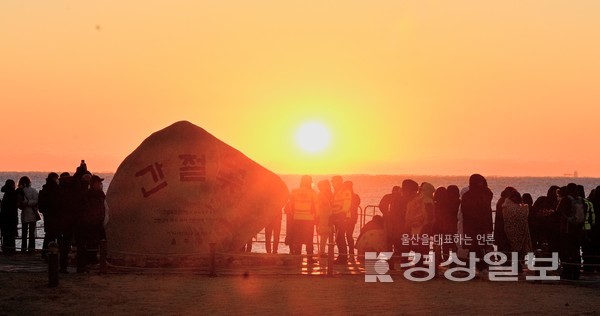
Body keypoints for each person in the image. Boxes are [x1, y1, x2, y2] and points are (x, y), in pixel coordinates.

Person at [460, 174, 493, 273]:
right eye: (479, 182)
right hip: (476, 226)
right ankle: (480, 267)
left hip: (474, 226)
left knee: (475, 247)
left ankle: (470, 267)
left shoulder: (469, 195)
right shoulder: (481, 195)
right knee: (476, 247)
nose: (481, 184)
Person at [405, 182, 435, 268]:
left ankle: (418, 266)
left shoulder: (415, 199)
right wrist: (431, 224)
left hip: (414, 227)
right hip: (425, 227)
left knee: (417, 248)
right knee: (424, 248)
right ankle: (422, 267)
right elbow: (430, 216)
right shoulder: (428, 200)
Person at [557, 184, 583, 280]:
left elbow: (558, 211)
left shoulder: (565, 200)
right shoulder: (581, 200)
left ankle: (567, 273)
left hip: (566, 231)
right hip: (578, 231)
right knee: (576, 253)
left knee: (565, 253)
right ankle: (576, 273)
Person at [287, 175, 317, 261]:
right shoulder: (313, 193)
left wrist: (294, 214)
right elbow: (316, 206)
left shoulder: (294, 192)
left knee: (298, 238)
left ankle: (297, 257)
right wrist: (317, 217)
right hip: (309, 219)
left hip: (297, 218)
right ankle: (309, 258)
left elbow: (290, 205)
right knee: (309, 239)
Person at [502, 190, 532, 273]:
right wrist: (524, 205)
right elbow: (524, 213)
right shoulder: (512, 207)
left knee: (515, 249)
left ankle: (516, 267)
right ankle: (517, 267)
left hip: (510, 230)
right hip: (517, 230)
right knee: (517, 250)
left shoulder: (506, 206)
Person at [38, 172, 61, 260]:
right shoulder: (56, 189)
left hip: (47, 215)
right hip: (55, 215)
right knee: (55, 234)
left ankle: (45, 252)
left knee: (48, 235)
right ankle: (54, 252)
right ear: (54, 179)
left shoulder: (44, 189)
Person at [330, 175, 352, 264]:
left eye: (333, 181)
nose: (332, 183)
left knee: (341, 237)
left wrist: (342, 214)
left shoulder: (344, 191)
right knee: (339, 238)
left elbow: (347, 203)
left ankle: (343, 257)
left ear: (338, 182)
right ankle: (341, 256)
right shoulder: (337, 192)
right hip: (337, 216)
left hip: (343, 217)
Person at [17, 176, 39, 253]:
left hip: (24, 214)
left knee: (24, 233)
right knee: (32, 233)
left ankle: (23, 249)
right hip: (32, 213)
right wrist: (30, 203)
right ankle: (31, 249)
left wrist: (24, 204)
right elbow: (37, 200)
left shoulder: (19, 191)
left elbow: (19, 204)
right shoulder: (33, 190)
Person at [495, 187, 516, 256]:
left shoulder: (501, 200)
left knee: (502, 249)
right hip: (504, 228)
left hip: (500, 228)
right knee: (505, 249)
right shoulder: (505, 201)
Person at [1, 179, 18, 255]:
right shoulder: (13, 194)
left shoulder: (6, 194)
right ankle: (11, 249)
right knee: (11, 235)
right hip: (11, 217)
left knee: (6, 235)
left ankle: (6, 249)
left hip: (4, 217)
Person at [316, 179, 333, 258]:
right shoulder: (322, 195)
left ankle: (325, 251)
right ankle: (322, 251)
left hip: (327, 215)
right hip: (324, 216)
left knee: (327, 233)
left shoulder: (325, 194)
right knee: (324, 234)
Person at [344, 181, 360, 261]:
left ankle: (349, 254)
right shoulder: (355, 196)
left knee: (347, 236)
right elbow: (357, 204)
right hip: (353, 218)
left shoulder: (346, 196)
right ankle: (351, 254)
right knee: (349, 236)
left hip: (348, 218)